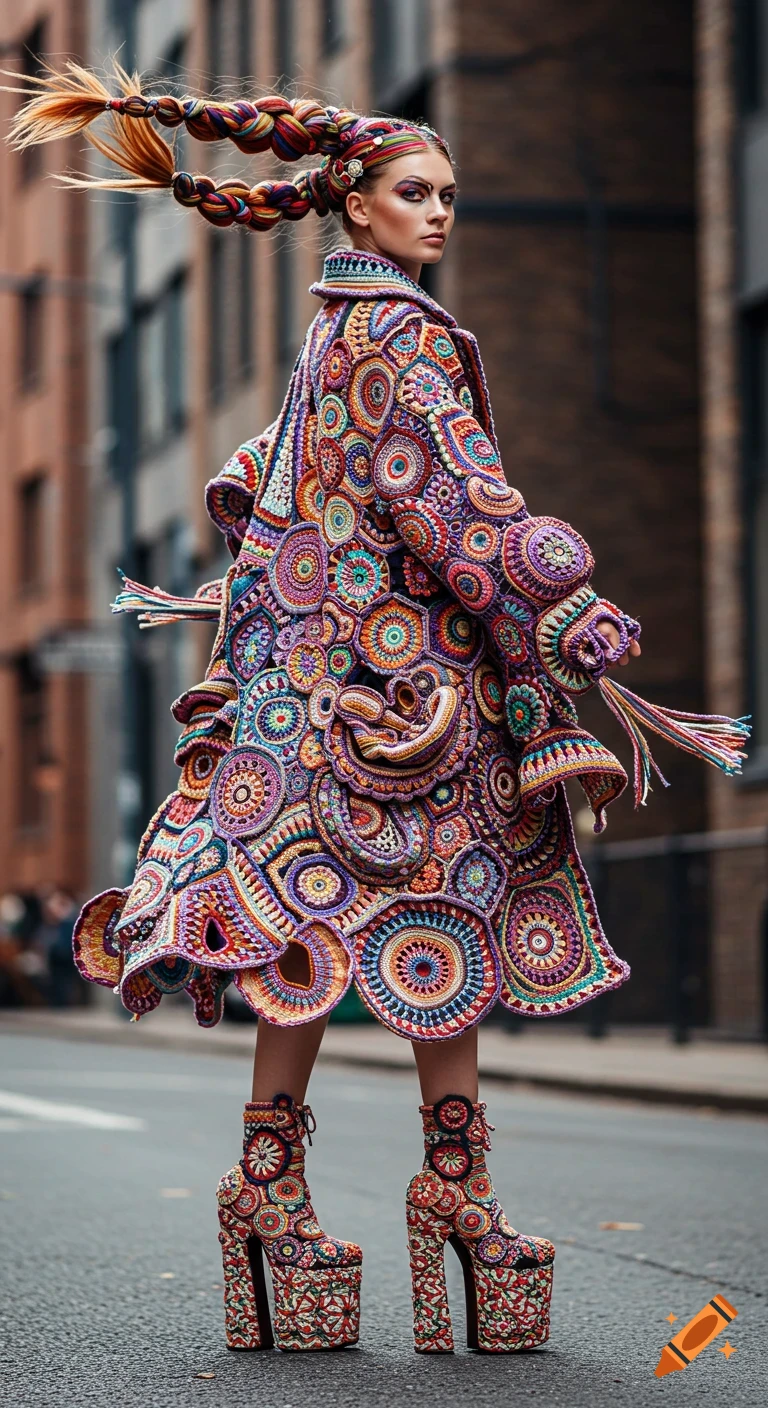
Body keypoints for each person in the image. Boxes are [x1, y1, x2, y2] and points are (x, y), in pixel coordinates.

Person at [7, 63, 749, 1357]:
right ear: (353, 207)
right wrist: (570, 610)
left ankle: (275, 1201)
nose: (441, 213)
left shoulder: (323, 342)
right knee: (426, 933)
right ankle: (452, 1202)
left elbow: (298, 506)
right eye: (416, 193)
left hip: (313, 712)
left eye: (451, 194)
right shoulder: (397, 335)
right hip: (410, 711)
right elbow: (455, 505)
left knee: (315, 938)